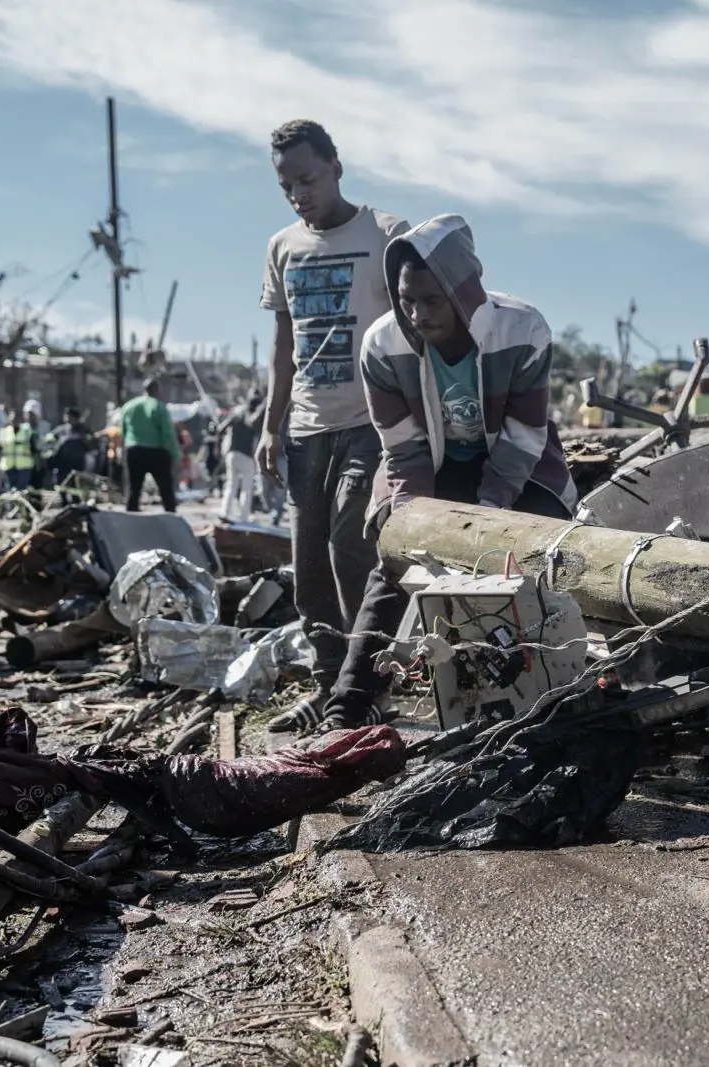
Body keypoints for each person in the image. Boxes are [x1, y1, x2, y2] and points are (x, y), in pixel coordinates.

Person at [303, 214, 577, 734]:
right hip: (429, 467)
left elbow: (522, 439)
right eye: (407, 300)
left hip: (518, 468)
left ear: (462, 291)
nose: (418, 313)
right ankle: (348, 705)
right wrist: (417, 526)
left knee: (539, 558)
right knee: (394, 565)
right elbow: (402, 448)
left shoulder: (523, 330)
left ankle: (545, 699)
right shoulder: (383, 347)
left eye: (432, 300)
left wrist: (486, 517)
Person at [255, 119, 407, 730]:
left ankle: (366, 690)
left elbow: (412, 329)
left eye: (308, 178)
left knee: (353, 550)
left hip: (371, 421)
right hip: (307, 428)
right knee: (309, 568)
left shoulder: (385, 233)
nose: (298, 193)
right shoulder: (282, 247)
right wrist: (271, 424)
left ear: (336, 166)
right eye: (286, 184)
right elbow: (283, 341)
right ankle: (328, 685)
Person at [117, 379, 180, 512]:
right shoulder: (159, 407)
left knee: (134, 488)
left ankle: (131, 514)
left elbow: (122, 430)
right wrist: (175, 455)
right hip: (156, 451)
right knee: (165, 488)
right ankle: (170, 515)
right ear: (157, 390)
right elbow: (167, 434)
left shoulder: (128, 406)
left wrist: (121, 449)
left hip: (133, 450)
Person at [219, 393, 261, 523]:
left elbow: (221, 428)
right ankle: (244, 517)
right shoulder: (254, 418)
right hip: (246, 456)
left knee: (230, 485)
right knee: (246, 488)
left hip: (232, 454)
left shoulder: (236, 413)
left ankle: (224, 512)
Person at [46, 406, 90, 505]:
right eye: (67, 416)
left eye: (71, 417)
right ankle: (64, 502)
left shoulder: (82, 430)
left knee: (76, 486)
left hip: (77, 463)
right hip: (62, 463)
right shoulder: (60, 430)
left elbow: (90, 444)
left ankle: (76, 503)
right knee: (61, 484)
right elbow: (50, 439)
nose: (69, 419)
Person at [0, 402, 39, 493]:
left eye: (16, 417)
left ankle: (19, 506)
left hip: (24, 465)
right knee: (9, 490)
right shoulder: (4, 430)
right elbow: (0, 446)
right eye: (12, 417)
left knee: (21, 490)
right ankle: (11, 506)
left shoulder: (26, 430)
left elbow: (33, 447)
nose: (14, 420)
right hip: (8, 465)